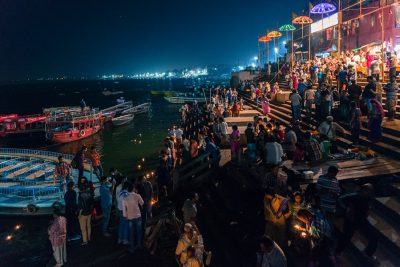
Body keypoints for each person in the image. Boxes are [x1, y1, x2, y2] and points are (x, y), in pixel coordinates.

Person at [336, 184, 377, 260]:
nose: (370, 193)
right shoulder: (355, 195)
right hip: (351, 220)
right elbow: (340, 199)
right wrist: (346, 208)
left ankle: (368, 253)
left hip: (362, 220)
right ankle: (337, 253)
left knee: (374, 235)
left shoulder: (368, 198)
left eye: (371, 191)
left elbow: (368, 208)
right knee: (346, 238)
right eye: (368, 191)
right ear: (364, 190)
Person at [123, 182, 144, 253]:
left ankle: (132, 248)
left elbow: (124, 209)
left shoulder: (125, 198)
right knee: (139, 232)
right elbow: (142, 203)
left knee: (131, 233)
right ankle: (140, 245)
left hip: (130, 217)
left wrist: (125, 216)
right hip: (138, 216)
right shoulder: (137, 195)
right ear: (133, 188)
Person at [116, 180, 129, 245]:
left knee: (121, 225)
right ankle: (125, 240)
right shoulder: (126, 194)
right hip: (125, 211)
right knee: (126, 226)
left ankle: (119, 239)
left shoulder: (119, 193)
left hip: (120, 210)